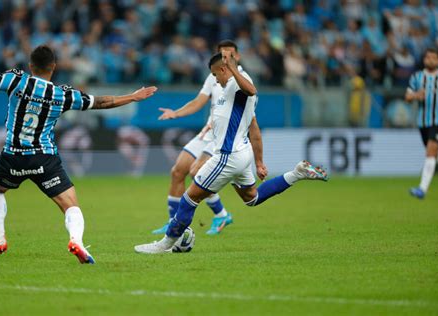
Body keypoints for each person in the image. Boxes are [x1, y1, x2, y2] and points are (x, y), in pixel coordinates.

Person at [0, 45, 157, 263]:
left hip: (13, 155)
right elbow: (101, 102)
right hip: (44, 157)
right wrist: (132, 97)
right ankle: (76, 241)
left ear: (30, 65)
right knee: (70, 204)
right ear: (54, 67)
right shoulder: (63, 95)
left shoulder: (16, 81)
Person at [134, 51, 328, 254]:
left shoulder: (239, 84)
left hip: (228, 155)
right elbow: (254, 129)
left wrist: (234, 69)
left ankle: (166, 244)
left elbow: (251, 89)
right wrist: (259, 161)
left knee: (189, 199)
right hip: (242, 154)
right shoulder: (229, 92)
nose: (216, 81)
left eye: (216, 75)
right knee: (252, 197)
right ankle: (297, 173)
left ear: (224, 69)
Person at [152, 40, 242, 236]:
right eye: (223, 55)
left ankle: (221, 214)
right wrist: (175, 113)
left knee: (197, 172)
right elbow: (198, 101)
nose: (226, 59)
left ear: (237, 57)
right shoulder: (214, 76)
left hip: (223, 134)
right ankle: (172, 222)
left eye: (230, 55)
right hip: (207, 131)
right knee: (177, 171)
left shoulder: (242, 78)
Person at [406, 48, 438, 199]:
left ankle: (422, 189)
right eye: (428, 57)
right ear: (424, 60)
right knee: (434, 154)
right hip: (423, 122)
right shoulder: (417, 77)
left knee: (430, 152)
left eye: (433, 58)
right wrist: (416, 95)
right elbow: (407, 97)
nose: (430, 60)